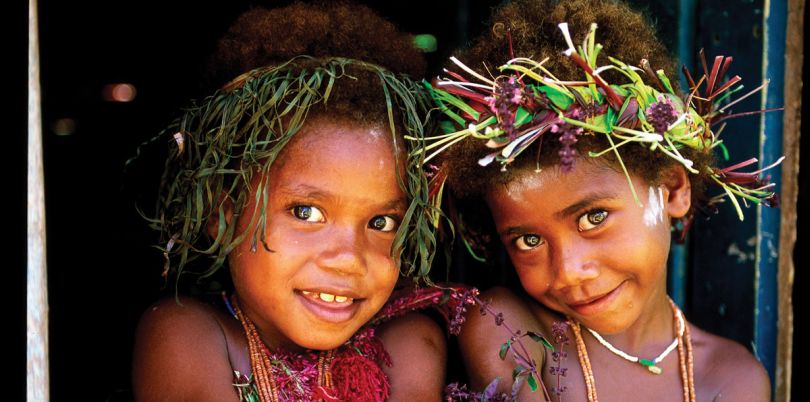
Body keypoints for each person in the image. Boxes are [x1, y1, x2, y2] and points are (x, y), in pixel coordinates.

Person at [422, 0, 778, 400]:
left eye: (593, 217)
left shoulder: (731, 379)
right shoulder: (508, 328)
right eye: (529, 241)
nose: (570, 272)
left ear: (674, 189)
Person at [130, 2, 470, 401]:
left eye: (381, 222)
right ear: (223, 216)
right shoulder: (186, 334)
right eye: (306, 212)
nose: (348, 258)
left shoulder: (407, 344)